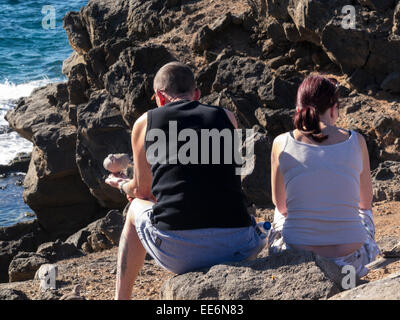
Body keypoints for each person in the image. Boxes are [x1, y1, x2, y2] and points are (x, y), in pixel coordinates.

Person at [105, 62, 266, 300]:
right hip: (239, 244)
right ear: (197, 94)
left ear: (159, 97)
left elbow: (142, 190)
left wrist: (122, 184)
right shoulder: (227, 117)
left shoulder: (145, 122)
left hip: (180, 251)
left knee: (135, 209)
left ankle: (122, 298)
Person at [269, 74, 380, 278]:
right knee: (364, 212)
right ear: (333, 108)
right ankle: (349, 275)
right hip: (354, 258)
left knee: (279, 212)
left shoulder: (281, 142)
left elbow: (281, 205)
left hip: (299, 256)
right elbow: (365, 203)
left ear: (298, 108)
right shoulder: (357, 141)